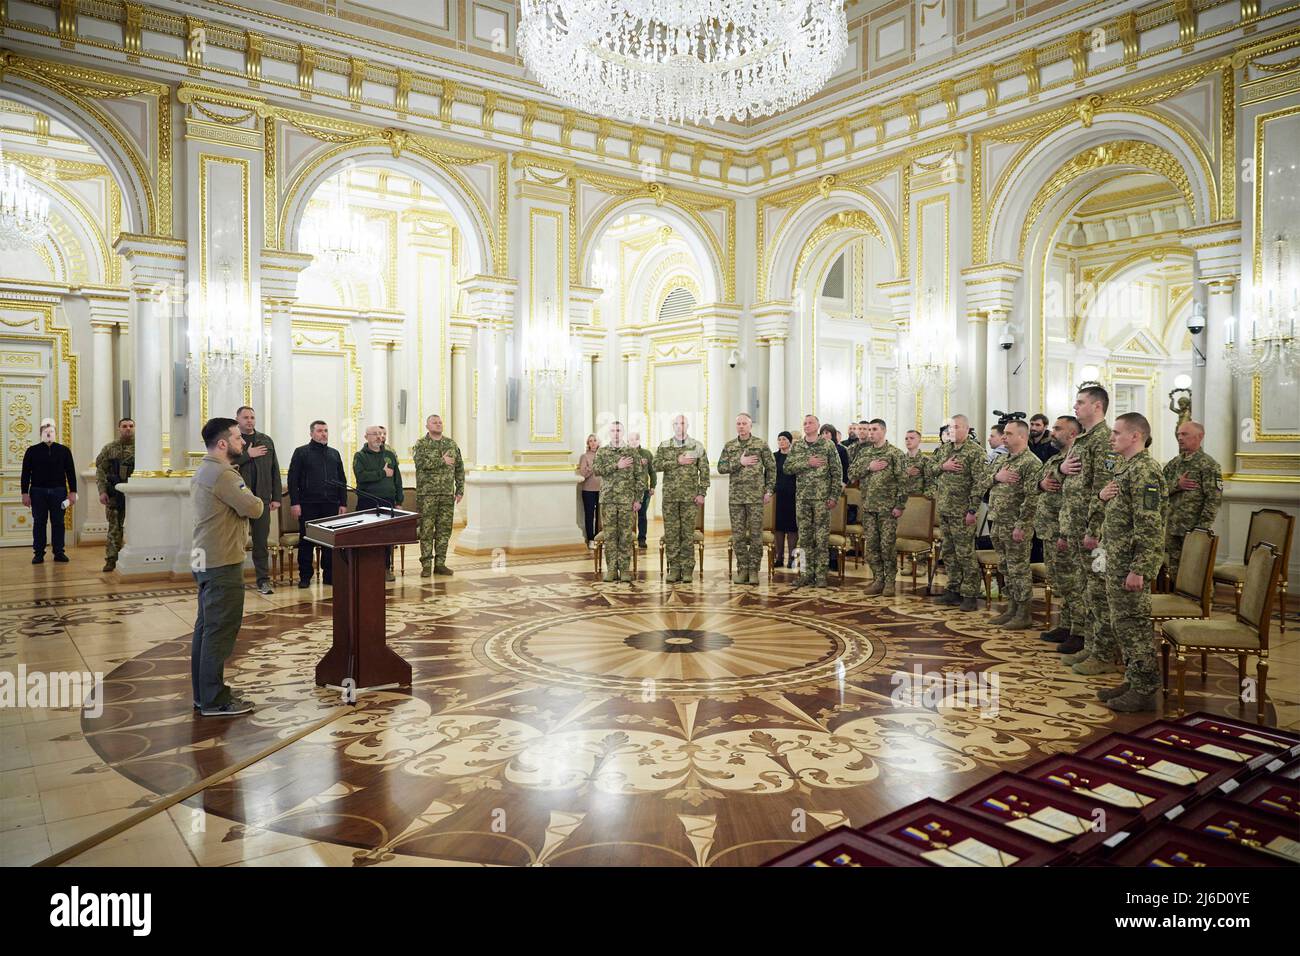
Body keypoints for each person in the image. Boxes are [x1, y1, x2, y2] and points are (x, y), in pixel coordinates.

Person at [191, 417, 264, 717]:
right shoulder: (225, 475)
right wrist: (254, 497)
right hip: (221, 560)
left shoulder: (203, 468)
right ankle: (214, 700)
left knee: (206, 628)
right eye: (237, 438)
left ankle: (203, 693)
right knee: (219, 630)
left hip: (203, 557)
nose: (243, 442)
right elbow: (254, 507)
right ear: (223, 443)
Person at [1095, 412, 1167, 712]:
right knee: (1122, 624)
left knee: (1133, 625)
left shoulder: (1145, 471)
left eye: (1116, 432)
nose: (1111, 438)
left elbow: (1150, 526)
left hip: (1130, 565)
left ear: (1135, 436)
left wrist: (1140, 569)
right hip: (1119, 560)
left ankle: (1145, 690)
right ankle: (1134, 679)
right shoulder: (1128, 468)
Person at [1059, 384, 1119, 669]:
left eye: (1080, 402)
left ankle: (1104, 654)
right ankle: (1092, 645)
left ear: (1097, 406)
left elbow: (1103, 490)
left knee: (1098, 591)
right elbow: (1073, 484)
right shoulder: (1084, 440)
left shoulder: (1104, 440)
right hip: (1075, 525)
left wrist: (1093, 531)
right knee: (1086, 590)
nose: (1075, 407)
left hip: (1091, 532)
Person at [981, 420, 1041, 629]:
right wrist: (996, 477)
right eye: (1004, 434)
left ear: (1022, 437)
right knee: (1006, 567)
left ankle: (1023, 613)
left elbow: (1033, 498)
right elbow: (982, 480)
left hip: (1016, 525)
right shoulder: (1003, 459)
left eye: (1008, 434)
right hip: (997, 521)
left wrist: (1022, 525)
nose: (1004, 437)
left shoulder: (1031, 463)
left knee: (1019, 569)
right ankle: (1012, 608)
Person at [931, 415, 990, 611]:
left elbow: (980, 483)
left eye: (956, 427)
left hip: (964, 511)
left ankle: (970, 594)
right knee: (948, 552)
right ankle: (953, 589)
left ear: (967, 428)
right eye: (950, 427)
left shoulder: (975, 452)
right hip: (946, 510)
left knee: (965, 553)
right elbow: (930, 469)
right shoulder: (945, 449)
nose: (952, 430)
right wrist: (943, 466)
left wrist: (972, 509)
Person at [847, 419, 907, 596]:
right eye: (869, 429)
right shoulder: (864, 453)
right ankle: (878, 579)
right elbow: (851, 474)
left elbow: (904, 481)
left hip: (888, 510)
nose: (870, 433)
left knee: (887, 546)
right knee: (871, 547)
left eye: (874, 429)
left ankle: (890, 582)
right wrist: (869, 467)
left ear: (884, 431)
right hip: (868, 508)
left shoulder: (895, 453)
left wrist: (900, 505)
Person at [1035, 416, 1082, 645]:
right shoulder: (1056, 458)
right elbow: (1039, 479)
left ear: (1072, 433)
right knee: (1061, 582)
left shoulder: (1077, 459)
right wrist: (1042, 483)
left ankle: (1078, 631)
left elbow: (1074, 495)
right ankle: (1066, 624)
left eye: (1057, 428)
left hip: (1064, 529)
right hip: (1049, 529)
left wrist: (1058, 473)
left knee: (1072, 582)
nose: (1052, 432)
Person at [783, 414, 843, 588]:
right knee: (805, 538)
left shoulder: (827, 445)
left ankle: (821, 575)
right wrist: (806, 462)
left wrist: (834, 496)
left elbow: (837, 472)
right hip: (802, 499)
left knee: (821, 538)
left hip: (821, 499)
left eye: (810, 423)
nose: (807, 425)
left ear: (817, 426)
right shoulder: (798, 446)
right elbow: (787, 468)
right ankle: (806, 574)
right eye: (805, 423)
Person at [287, 420, 347, 588]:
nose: (324, 434)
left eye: (326, 430)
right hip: (308, 504)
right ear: (311, 433)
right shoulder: (301, 452)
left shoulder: (334, 454)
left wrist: (343, 502)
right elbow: (293, 480)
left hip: (331, 504)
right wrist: (295, 503)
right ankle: (305, 576)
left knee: (329, 541)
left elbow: (342, 480)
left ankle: (329, 575)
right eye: (320, 431)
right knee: (306, 541)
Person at [717, 412, 776, 584]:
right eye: (739, 424)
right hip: (736, 498)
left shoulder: (760, 444)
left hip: (755, 497)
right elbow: (721, 467)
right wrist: (739, 463)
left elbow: (771, 468)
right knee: (738, 535)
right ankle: (742, 569)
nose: (741, 426)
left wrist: (769, 490)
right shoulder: (729, 446)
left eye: (744, 423)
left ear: (750, 426)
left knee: (756, 535)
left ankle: (754, 570)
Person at [1162, 421, 1222, 586]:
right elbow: (1158, 488)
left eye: (1184, 434)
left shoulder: (1208, 465)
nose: (1180, 438)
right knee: (1176, 569)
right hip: (1173, 526)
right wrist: (1177, 485)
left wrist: (1202, 528)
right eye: (1178, 434)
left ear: (1199, 437)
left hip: (1194, 527)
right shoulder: (1175, 463)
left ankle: (1204, 606)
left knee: (1196, 569)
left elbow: (1214, 498)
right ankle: (1180, 604)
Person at [654, 414, 709, 584]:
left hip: (690, 498)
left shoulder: (696, 446)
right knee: (671, 534)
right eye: (677, 423)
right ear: (673, 426)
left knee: (687, 534)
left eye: (683, 423)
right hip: (670, 498)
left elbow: (705, 471)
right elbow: (655, 465)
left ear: (688, 425)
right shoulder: (664, 446)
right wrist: (676, 460)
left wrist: (701, 493)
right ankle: (674, 568)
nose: (680, 426)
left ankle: (687, 570)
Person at [232, 406, 281, 594]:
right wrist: (247, 455)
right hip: (238, 500)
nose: (249, 420)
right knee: (236, 541)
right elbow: (227, 465)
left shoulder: (265, 440)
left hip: (261, 500)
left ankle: (263, 581)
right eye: (245, 417)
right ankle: (235, 581)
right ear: (237, 419)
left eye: (252, 417)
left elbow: (274, 469)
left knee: (261, 543)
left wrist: (276, 497)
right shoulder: (233, 441)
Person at [412, 414, 464, 577]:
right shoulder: (421, 444)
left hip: (447, 494)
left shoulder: (451, 444)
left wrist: (460, 489)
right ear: (427, 426)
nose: (438, 424)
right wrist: (441, 461)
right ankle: (426, 565)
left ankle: (440, 564)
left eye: (440, 422)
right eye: (434, 422)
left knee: (444, 530)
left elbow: (459, 468)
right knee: (426, 530)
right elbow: (420, 464)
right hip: (427, 495)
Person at [594, 421, 645, 583]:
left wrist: (638, 499)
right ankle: (611, 570)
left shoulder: (632, 452)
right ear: (609, 433)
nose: (615, 433)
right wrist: (617, 465)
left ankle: (624, 569)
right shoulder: (602, 452)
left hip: (626, 501)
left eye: (618, 430)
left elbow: (640, 477)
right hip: (608, 500)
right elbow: (597, 470)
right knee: (610, 535)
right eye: (613, 430)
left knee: (625, 536)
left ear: (622, 432)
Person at [21, 419, 77, 564]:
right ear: (41, 433)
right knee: (39, 522)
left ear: (55, 433)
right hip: (37, 491)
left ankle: (59, 552)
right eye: (45, 431)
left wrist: (73, 492)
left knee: (58, 522)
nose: (48, 433)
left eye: (51, 431)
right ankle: (38, 553)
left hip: (58, 491)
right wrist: (24, 493)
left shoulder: (64, 450)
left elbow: (70, 472)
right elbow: (25, 473)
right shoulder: (32, 451)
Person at [354, 424, 404, 582]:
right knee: (367, 536)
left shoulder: (389, 455)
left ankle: (385, 568)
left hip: (387, 501)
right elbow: (361, 476)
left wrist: (399, 500)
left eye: (381, 434)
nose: (379, 437)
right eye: (374, 434)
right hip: (367, 501)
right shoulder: (360, 456)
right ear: (366, 437)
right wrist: (382, 473)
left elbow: (397, 479)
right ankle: (367, 567)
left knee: (386, 537)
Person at [94, 418, 134, 572]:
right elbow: (101, 471)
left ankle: (132, 556)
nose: (128, 429)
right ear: (119, 429)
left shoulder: (142, 448)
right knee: (114, 527)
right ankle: (111, 559)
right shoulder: (110, 448)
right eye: (124, 426)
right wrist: (102, 491)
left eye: (131, 426)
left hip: (135, 495)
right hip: (114, 493)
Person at [772, 431, 798, 570]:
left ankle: (792, 558)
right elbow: (769, 475)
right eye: (779, 439)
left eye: (784, 439)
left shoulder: (794, 457)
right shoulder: (774, 457)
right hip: (778, 496)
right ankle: (779, 557)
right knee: (779, 527)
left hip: (793, 495)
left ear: (790, 441)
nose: (781, 441)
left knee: (792, 528)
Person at [629, 431, 656, 549]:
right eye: (631, 440)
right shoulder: (625, 454)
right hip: (628, 490)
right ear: (628, 441)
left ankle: (642, 539)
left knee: (642, 515)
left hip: (643, 490)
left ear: (639, 440)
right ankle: (629, 538)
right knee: (628, 516)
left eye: (635, 439)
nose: (633, 442)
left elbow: (652, 471)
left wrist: (652, 486)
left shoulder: (647, 454)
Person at [576, 433, 601, 548]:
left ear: (598, 442)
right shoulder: (584, 456)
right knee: (590, 515)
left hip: (602, 490)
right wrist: (593, 467)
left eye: (595, 440)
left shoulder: (603, 455)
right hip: (588, 491)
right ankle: (590, 539)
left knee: (601, 516)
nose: (593, 442)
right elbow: (583, 474)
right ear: (588, 444)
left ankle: (599, 539)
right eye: (590, 441)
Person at [902, 429, 930, 497]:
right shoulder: (899, 459)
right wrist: (906, 473)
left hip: (919, 499)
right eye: (906, 438)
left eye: (911, 438)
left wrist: (926, 498)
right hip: (901, 499)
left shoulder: (925, 460)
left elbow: (930, 482)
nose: (908, 440)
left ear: (919, 441)